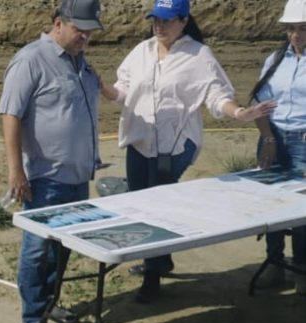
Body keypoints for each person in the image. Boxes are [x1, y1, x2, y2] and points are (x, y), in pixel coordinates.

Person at [99, 0, 276, 303]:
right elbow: (124, 90)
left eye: (166, 21)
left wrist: (238, 113)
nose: (159, 26)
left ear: (183, 21)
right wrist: (103, 88)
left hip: (174, 146)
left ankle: (152, 275)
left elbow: (216, 94)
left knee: (156, 207)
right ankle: (161, 258)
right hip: (139, 143)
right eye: (155, 20)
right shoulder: (142, 52)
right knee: (139, 205)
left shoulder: (198, 55)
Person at [0, 0, 105, 323]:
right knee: (38, 249)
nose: (85, 37)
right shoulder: (31, 60)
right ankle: (33, 319)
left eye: (90, 32)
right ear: (58, 23)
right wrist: (16, 171)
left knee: (63, 248)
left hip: (77, 176)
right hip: (45, 179)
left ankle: (49, 303)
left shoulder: (79, 61)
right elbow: (11, 115)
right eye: (80, 30)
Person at [249, 0, 306, 296]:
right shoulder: (275, 60)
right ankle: (274, 261)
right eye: (291, 29)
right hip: (273, 137)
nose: (296, 35)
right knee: (269, 201)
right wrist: (268, 139)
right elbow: (260, 105)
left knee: (301, 210)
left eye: (302, 29)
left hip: (303, 144)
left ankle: (302, 269)